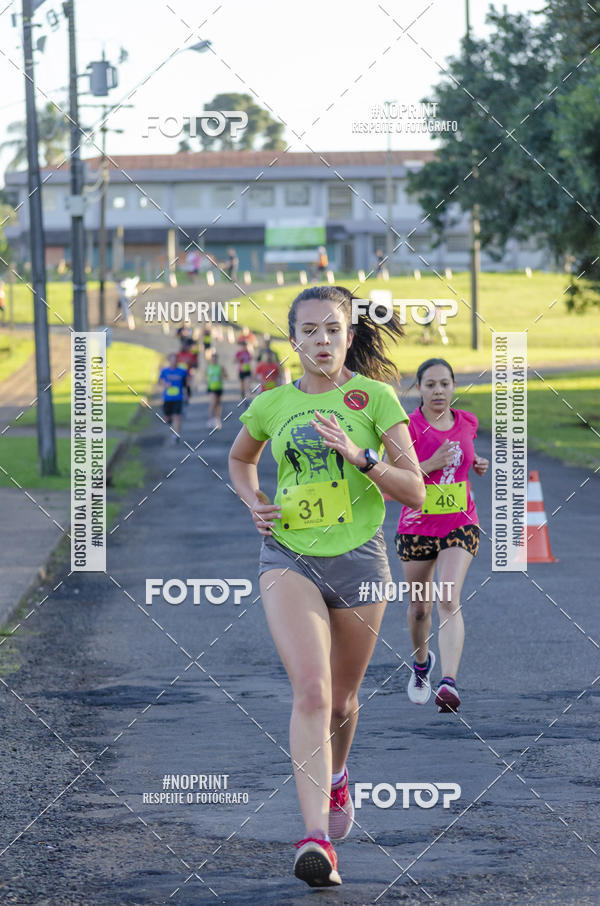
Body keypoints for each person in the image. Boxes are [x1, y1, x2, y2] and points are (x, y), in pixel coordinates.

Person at [228, 285, 425, 888]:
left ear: (348, 336)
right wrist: (253, 501)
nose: (321, 341)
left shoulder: (376, 399)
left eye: (332, 330)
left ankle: (338, 780)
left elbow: (415, 491)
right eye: (308, 331)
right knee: (311, 692)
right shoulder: (273, 403)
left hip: (361, 562)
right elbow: (240, 459)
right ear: (293, 340)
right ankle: (315, 839)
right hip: (288, 557)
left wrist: (360, 455)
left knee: (341, 701)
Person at [395, 358, 489, 713]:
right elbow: (394, 476)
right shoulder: (407, 427)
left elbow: (463, 455)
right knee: (420, 609)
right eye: (430, 384)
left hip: (460, 523)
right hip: (417, 527)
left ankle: (448, 683)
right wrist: (430, 465)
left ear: (453, 386)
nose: (438, 391)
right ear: (419, 388)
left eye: (445, 384)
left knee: (448, 598)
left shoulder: (467, 421)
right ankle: (422, 665)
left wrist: (475, 462)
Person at [159, 353, 187, 443]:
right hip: (167, 398)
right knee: (167, 418)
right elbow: (159, 381)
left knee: (177, 416)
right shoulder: (164, 371)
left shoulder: (182, 371)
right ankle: (170, 422)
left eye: (176, 360)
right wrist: (165, 385)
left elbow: (186, 383)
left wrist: (186, 394)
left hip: (178, 398)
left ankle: (176, 435)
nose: (174, 362)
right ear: (169, 361)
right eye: (172, 360)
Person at [206, 352, 227, 429]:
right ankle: (211, 419)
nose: (214, 360)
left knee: (218, 404)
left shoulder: (221, 367)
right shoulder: (209, 367)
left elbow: (226, 375)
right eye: (213, 359)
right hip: (211, 388)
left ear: (217, 359)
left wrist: (222, 375)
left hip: (219, 387)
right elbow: (205, 376)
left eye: (215, 359)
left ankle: (217, 420)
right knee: (212, 403)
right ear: (211, 359)